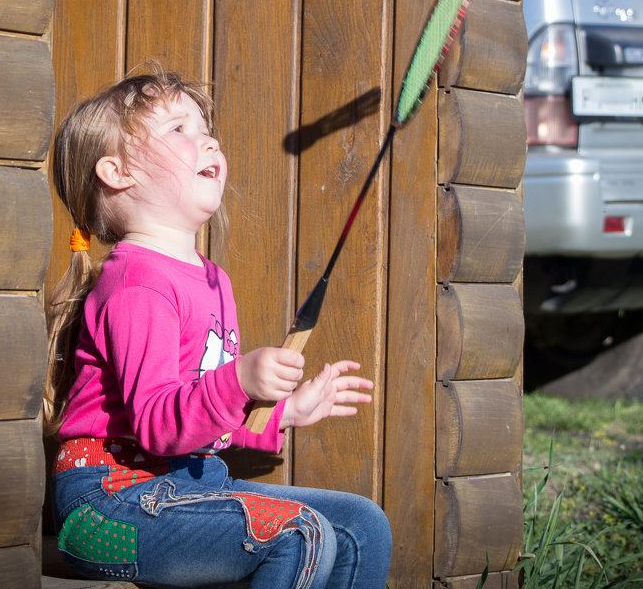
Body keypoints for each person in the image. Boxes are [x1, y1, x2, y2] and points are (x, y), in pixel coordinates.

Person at [44, 69, 392, 588]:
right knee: (299, 533)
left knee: (363, 525)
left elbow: (198, 418)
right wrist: (241, 381)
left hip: (184, 489)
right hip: (104, 509)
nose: (206, 137)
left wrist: (281, 413)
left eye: (204, 126)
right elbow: (161, 426)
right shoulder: (137, 283)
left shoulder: (213, 281)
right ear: (117, 173)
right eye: (178, 129)